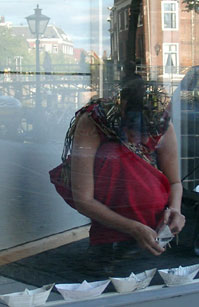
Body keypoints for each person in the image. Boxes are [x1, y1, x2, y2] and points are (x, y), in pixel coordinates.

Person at [52, 78, 185, 269]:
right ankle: (111, 242)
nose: (144, 140)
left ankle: (142, 240)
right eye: (136, 133)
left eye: (150, 135)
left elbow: (174, 183)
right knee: (113, 154)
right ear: (122, 113)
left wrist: (175, 210)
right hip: (110, 210)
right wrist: (134, 228)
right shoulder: (94, 121)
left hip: (150, 223)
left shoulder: (162, 124)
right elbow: (83, 199)